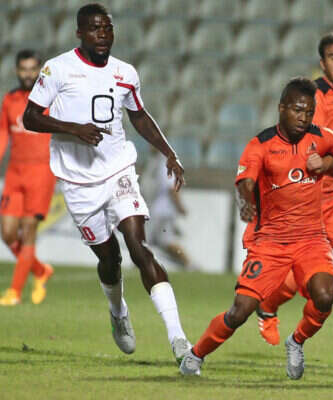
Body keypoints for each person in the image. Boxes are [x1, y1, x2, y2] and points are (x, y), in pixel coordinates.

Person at [22, 3, 192, 362]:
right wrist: (73, 129)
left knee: (138, 246)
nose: (103, 34)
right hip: (78, 182)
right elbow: (31, 117)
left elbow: (139, 116)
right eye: (95, 28)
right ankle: (118, 311)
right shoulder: (58, 68)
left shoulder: (125, 72)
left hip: (118, 171)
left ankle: (179, 339)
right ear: (79, 33)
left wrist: (170, 153)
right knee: (110, 259)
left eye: (108, 28)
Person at [179, 77, 333, 378]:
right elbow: (245, 182)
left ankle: (296, 341)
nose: (303, 118)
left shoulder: (321, 137)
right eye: (297, 110)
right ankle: (195, 354)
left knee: (325, 295)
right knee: (239, 311)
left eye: (308, 112)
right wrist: (246, 201)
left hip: (311, 240)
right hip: (270, 242)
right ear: (281, 108)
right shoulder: (261, 145)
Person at [254, 31, 333, 366]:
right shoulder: (314, 98)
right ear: (322, 63)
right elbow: (311, 154)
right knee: (299, 280)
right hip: (306, 201)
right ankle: (267, 304)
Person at [0, 50, 56, 306]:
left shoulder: (50, 100)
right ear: (17, 71)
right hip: (15, 173)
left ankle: (15, 292)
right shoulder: (10, 100)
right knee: (8, 233)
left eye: (33, 69)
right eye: (23, 69)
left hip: (41, 172)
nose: (28, 74)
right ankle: (40, 270)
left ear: (40, 71)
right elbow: (3, 134)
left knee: (28, 229)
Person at [141, 148, 191, 269]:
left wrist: (179, 206)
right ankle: (188, 264)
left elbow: (171, 188)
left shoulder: (165, 163)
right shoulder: (155, 161)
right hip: (158, 210)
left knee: (146, 240)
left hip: (162, 211)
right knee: (162, 242)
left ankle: (189, 264)